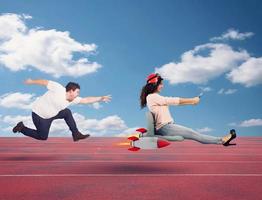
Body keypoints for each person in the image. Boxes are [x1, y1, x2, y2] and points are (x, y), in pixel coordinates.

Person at [140, 73, 236, 146]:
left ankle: (222, 140)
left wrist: (191, 102)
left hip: (166, 127)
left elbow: (174, 102)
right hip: (165, 128)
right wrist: (192, 100)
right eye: (160, 84)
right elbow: (173, 101)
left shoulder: (154, 97)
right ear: (154, 84)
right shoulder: (152, 97)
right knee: (195, 134)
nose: (162, 86)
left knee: (194, 134)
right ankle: (222, 140)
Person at [13, 79, 111, 141]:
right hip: (40, 115)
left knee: (67, 112)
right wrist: (32, 81)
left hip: (52, 114)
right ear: (71, 91)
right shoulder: (58, 89)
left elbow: (86, 100)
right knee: (43, 137)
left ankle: (76, 134)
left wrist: (101, 98)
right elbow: (45, 82)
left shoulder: (73, 99)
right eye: (77, 92)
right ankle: (22, 128)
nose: (78, 94)